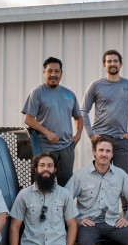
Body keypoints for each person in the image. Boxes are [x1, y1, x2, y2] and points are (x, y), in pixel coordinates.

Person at [80, 50, 128, 182]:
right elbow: (83, 110)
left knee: (123, 179)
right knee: (99, 178)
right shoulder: (96, 85)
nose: (112, 64)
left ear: (121, 64)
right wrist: (91, 134)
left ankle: (125, 204)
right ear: (104, 65)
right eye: (109, 61)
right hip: (101, 139)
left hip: (121, 140)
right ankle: (101, 204)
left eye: (115, 61)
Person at [22, 57, 84, 186]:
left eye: (57, 71)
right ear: (44, 72)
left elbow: (78, 117)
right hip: (45, 147)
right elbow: (28, 119)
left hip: (67, 147)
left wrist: (77, 136)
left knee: (66, 184)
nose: (53, 75)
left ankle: (63, 206)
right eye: (50, 71)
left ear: (61, 73)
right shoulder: (37, 93)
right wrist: (47, 133)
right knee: (44, 182)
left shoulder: (69, 94)